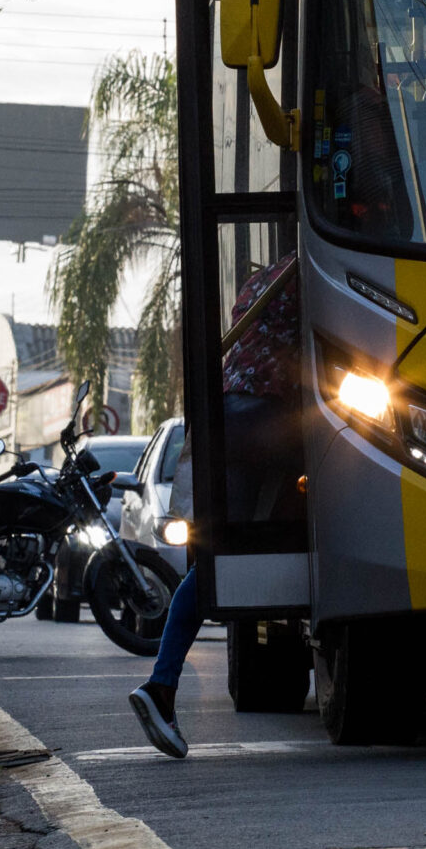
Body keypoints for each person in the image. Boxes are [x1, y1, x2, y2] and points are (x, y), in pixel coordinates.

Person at [129, 251, 299, 758]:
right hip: (267, 420)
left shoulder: (262, 279)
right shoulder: (318, 269)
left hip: (223, 416)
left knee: (215, 563)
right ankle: (160, 687)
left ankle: (162, 686)